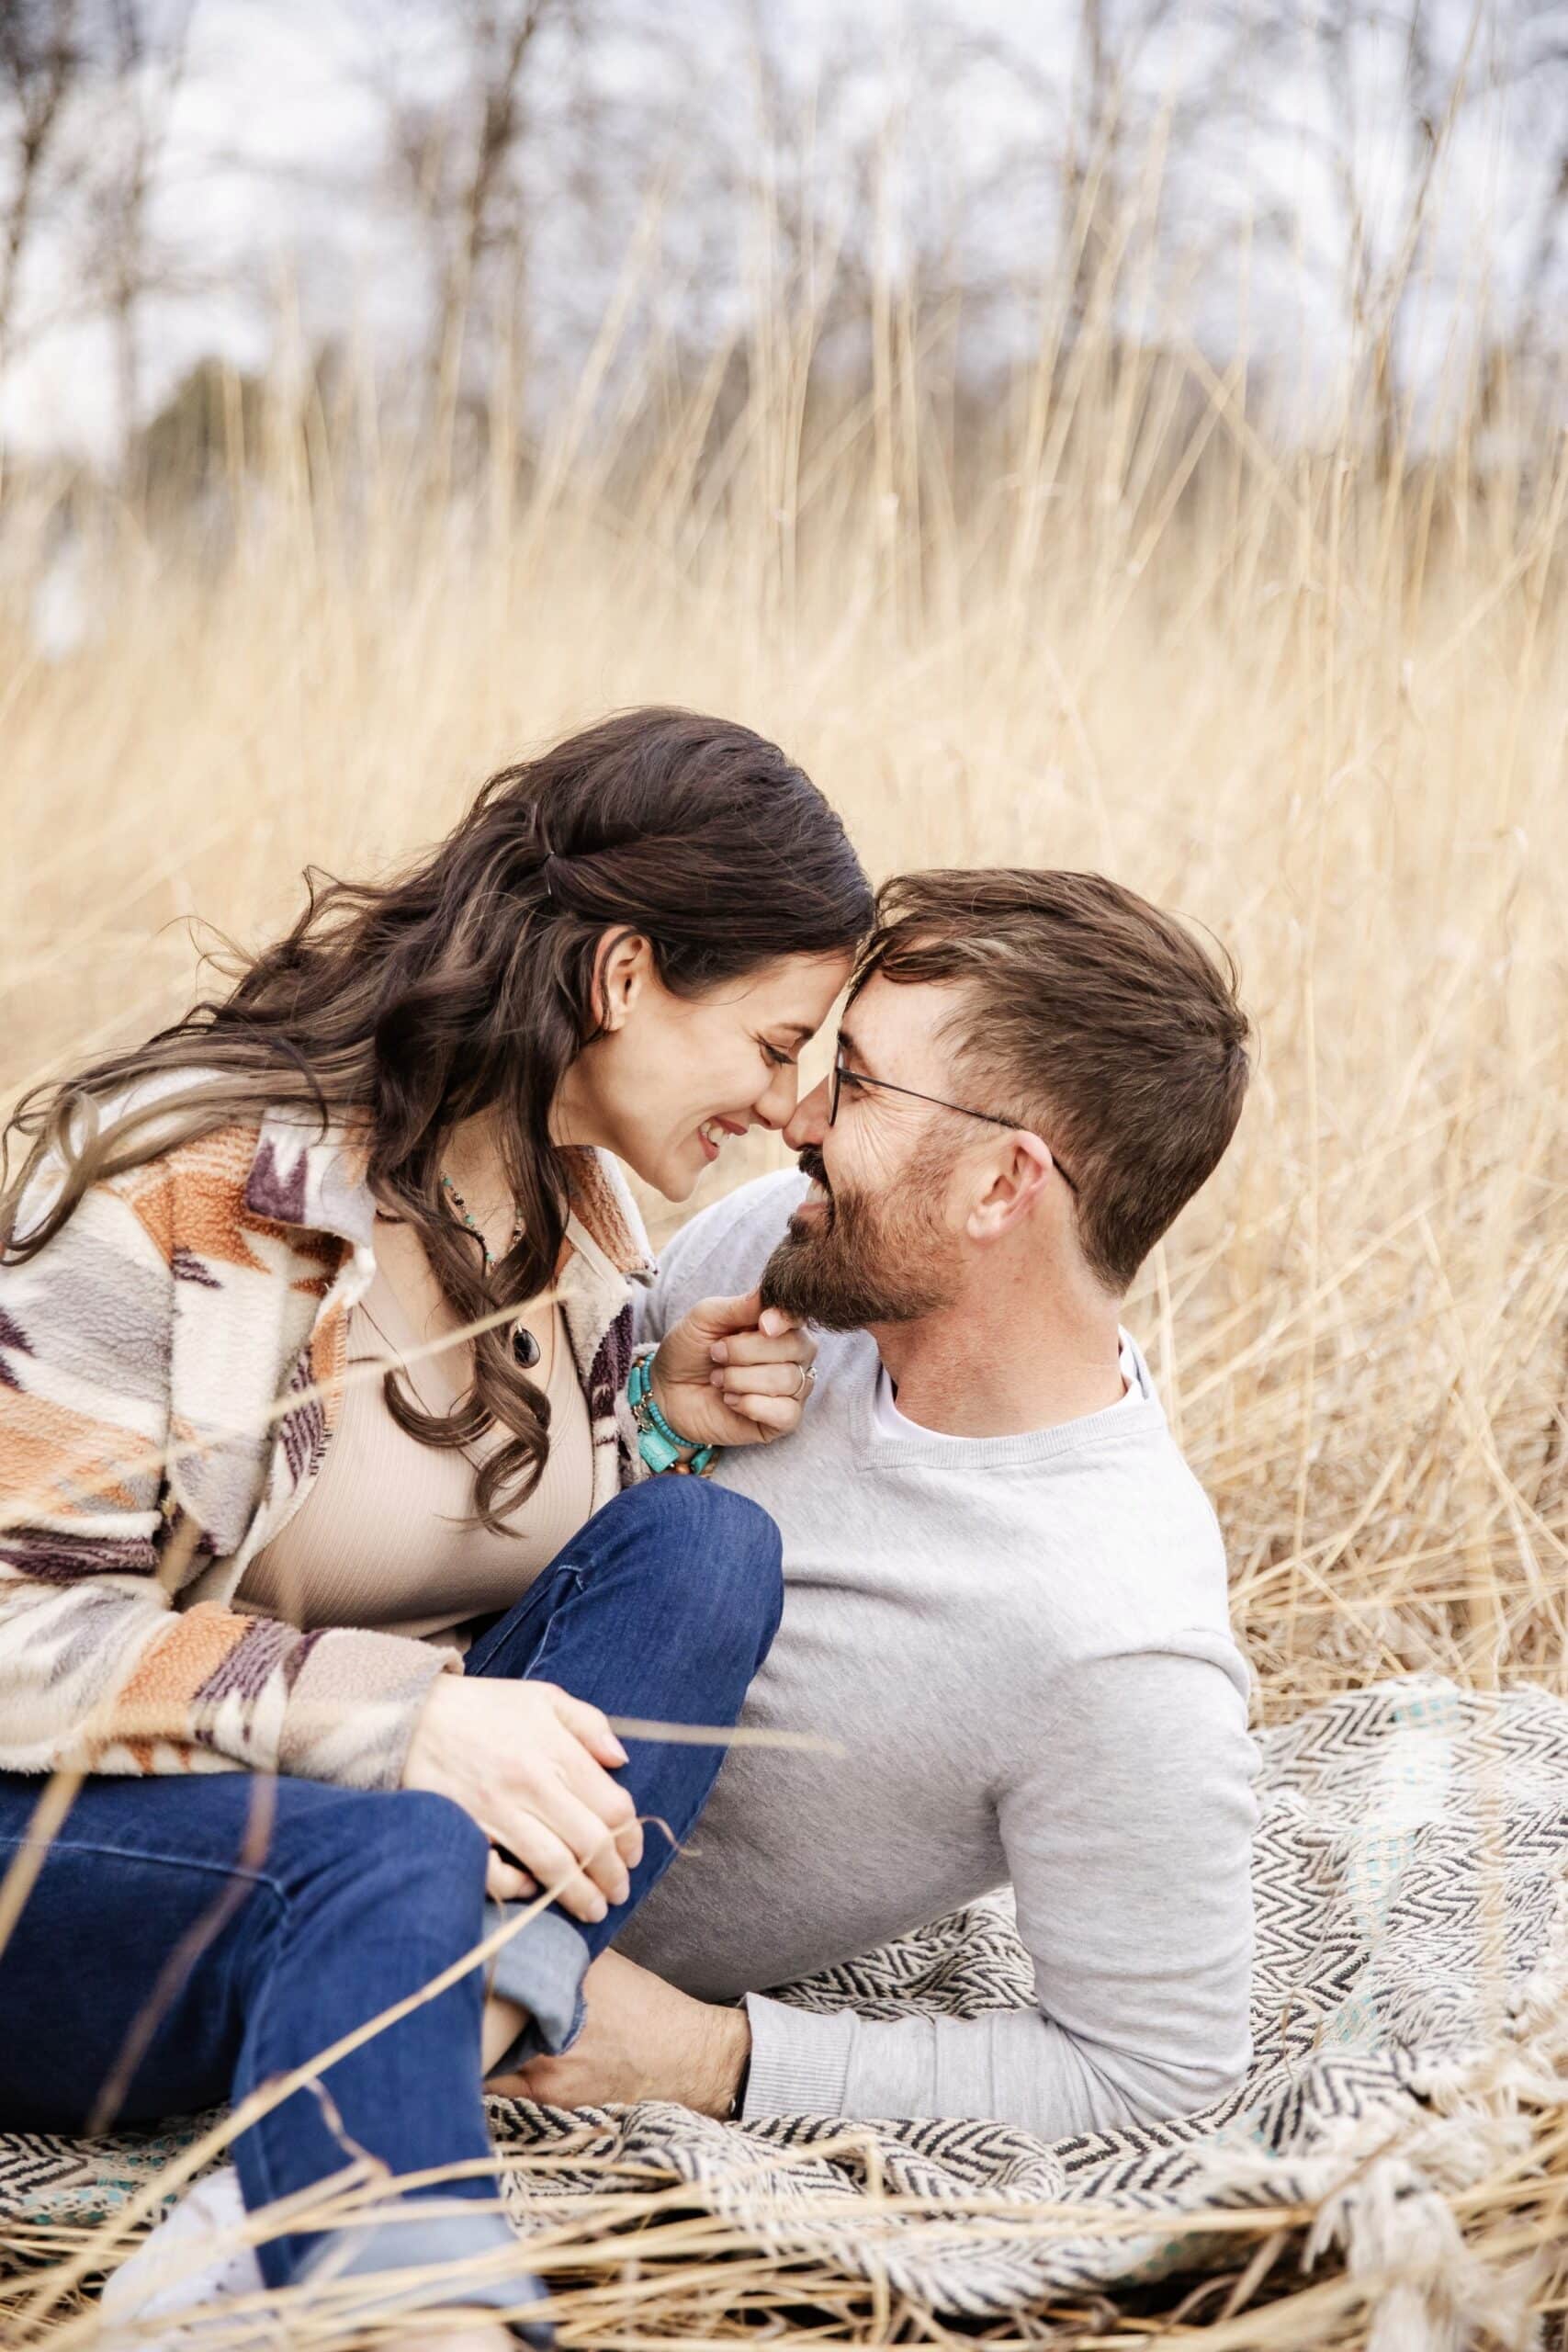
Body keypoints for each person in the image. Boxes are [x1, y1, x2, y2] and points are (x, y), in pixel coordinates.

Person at [0, 707, 872, 2346]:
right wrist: (403, 1718)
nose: (785, 1107)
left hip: (358, 1882)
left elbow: (463, 1551)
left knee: (707, 1555)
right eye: (773, 1044)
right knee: (402, 1846)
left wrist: (656, 1420)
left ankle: (283, 2193)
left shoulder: (581, 1211)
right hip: (72, 1872)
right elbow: (14, 1634)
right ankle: (414, 2303)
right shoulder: (189, 1177)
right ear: (624, 977)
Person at [509, 868, 1262, 2141]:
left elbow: (1156, 2074)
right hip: (364, 1753)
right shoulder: (780, 1248)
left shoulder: (1113, 1640)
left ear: (1000, 1186)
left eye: (854, 1083)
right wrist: (647, 1412)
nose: (794, 1115)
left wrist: (710, 2056)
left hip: (428, 1926)